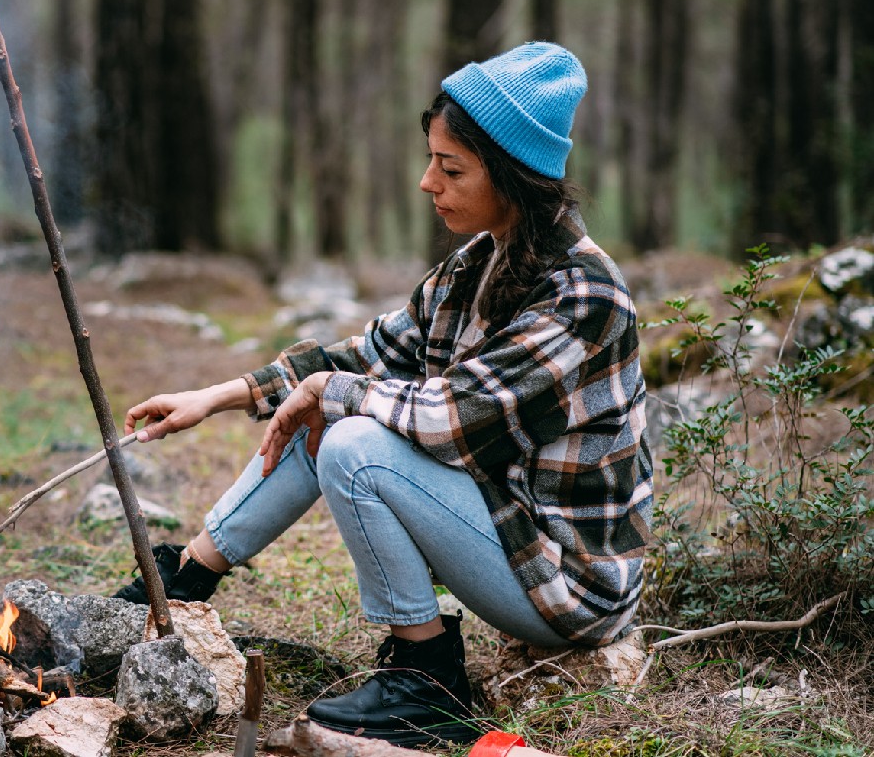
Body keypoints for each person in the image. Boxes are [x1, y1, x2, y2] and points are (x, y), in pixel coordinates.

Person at [114, 42, 654, 747]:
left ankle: (425, 679)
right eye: (432, 159)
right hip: (500, 526)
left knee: (355, 439)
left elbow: (452, 422)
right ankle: (186, 581)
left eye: (450, 167)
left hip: (566, 581)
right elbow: (370, 354)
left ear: (514, 176)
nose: (428, 182)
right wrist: (215, 396)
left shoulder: (582, 294)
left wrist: (330, 390)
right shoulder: (478, 264)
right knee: (337, 407)